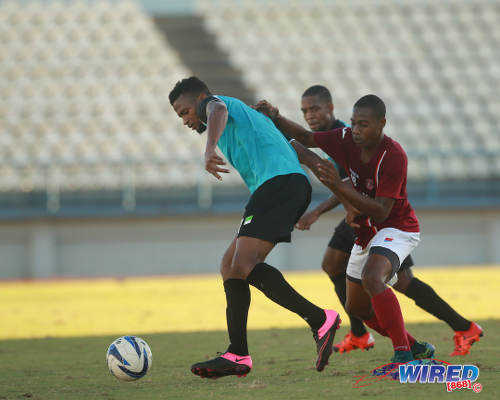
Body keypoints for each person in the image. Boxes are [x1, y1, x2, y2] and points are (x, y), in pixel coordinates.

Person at [169, 77, 341, 379]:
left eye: (184, 112)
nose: (184, 120)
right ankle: (238, 353)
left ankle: (319, 319)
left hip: (279, 184)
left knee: (244, 264)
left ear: (199, 99)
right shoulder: (245, 116)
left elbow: (217, 107)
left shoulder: (216, 105)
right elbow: (282, 140)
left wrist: (209, 150)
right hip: (280, 185)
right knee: (231, 266)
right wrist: (314, 161)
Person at [291, 85, 483, 357]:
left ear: (330, 109)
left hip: (378, 219)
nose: (309, 115)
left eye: (315, 109)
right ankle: (363, 332)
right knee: (341, 267)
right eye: (304, 111)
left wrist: (321, 210)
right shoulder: (336, 137)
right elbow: (330, 171)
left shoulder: (351, 136)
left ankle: (451, 331)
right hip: (362, 218)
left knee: (398, 281)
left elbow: (349, 184)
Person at [256, 94, 433, 363]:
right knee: (357, 307)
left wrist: (338, 186)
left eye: (364, 124)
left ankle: (403, 355)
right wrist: (275, 117)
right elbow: (306, 138)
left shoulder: (394, 155)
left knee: (373, 278)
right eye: (353, 123)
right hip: (365, 232)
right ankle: (415, 347)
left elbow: (382, 210)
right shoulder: (346, 138)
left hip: (396, 227)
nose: (356, 130)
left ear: (382, 123)